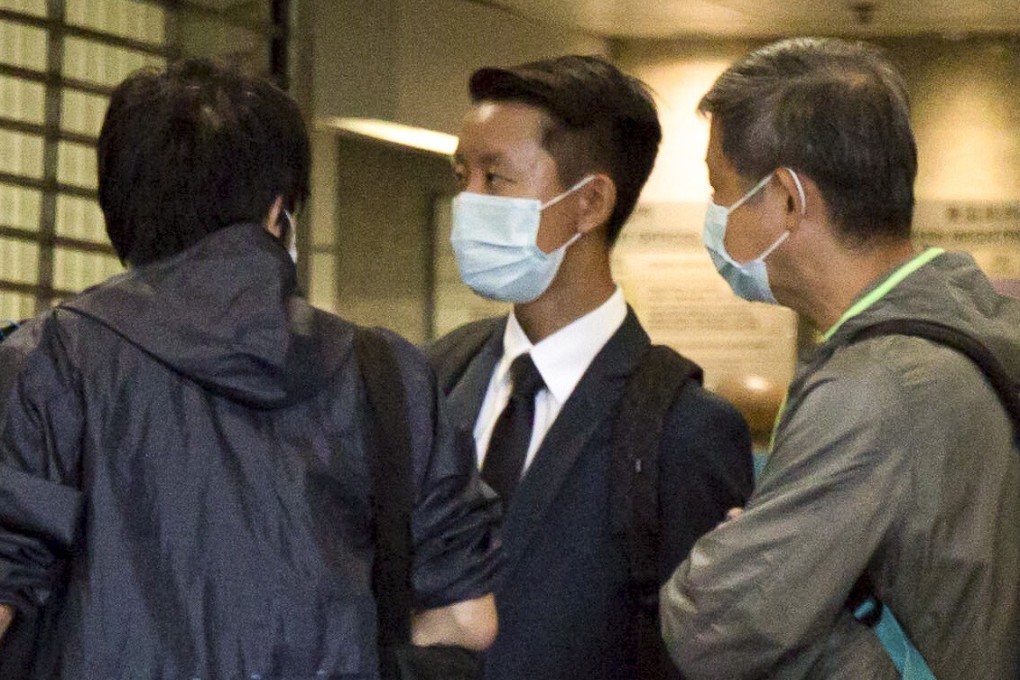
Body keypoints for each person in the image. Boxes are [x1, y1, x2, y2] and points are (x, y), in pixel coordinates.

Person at [0, 59, 500, 679]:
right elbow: (468, 619)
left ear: (120, 207)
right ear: (277, 212)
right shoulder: (384, 374)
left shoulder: (47, 363)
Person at [660, 37, 1020, 679]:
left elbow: (713, 625)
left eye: (721, 189)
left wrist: (789, 584)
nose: (715, 216)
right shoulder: (975, 320)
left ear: (790, 201)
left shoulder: (874, 386)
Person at [426, 55, 753, 680]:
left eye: (496, 179)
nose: (467, 202)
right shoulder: (435, 376)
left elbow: (703, 656)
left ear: (590, 202)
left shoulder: (683, 429)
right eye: (461, 175)